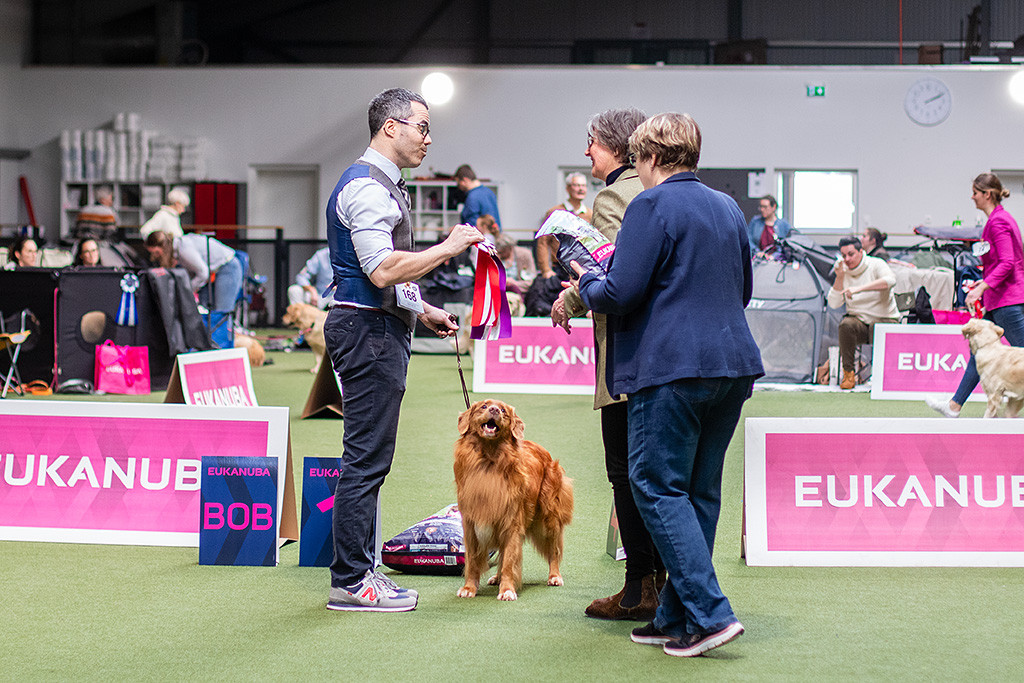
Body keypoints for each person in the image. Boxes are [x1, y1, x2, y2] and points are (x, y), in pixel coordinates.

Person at [571, 112, 762, 657]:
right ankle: (675, 616)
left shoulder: (649, 205)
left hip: (672, 367)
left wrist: (586, 279)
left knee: (654, 485)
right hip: (733, 365)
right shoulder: (728, 206)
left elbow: (621, 291)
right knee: (699, 492)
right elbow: (742, 290)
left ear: (647, 157)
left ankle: (711, 614)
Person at [324, 88, 483, 612]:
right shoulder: (368, 189)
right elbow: (381, 268)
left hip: (378, 327)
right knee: (366, 460)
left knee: (371, 457)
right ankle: (351, 582)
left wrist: (424, 310)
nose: (428, 137)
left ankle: (362, 572)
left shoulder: (382, 185)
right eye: (421, 126)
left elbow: (388, 273)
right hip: (367, 333)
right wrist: (448, 248)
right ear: (390, 127)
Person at [551, 107, 665, 622]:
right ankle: (661, 584)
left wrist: (573, 296)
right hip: (668, 361)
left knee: (625, 475)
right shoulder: (668, 193)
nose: (586, 151)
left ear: (617, 147)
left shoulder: (613, 197)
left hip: (626, 359)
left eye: (592, 141)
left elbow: (615, 271)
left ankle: (639, 586)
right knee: (661, 476)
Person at [927, 173, 1024, 418]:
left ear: (987, 194)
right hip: (1002, 298)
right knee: (978, 354)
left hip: (1007, 300)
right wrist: (985, 281)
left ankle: (955, 406)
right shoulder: (1001, 219)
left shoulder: (998, 221)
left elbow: (1008, 262)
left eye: (975, 192)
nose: (972, 197)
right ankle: (954, 405)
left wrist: (982, 287)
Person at [826, 236, 900, 390]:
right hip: (859, 322)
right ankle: (848, 374)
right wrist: (839, 277)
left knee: (876, 327)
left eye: (851, 254)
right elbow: (833, 303)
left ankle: (880, 376)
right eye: (843, 255)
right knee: (846, 325)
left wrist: (858, 289)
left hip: (885, 320)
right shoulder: (843, 271)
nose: (847, 259)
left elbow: (890, 281)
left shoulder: (876, 264)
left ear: (861, 252)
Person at [144, 230, 243, 312]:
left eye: (156, 253)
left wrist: (188, 290)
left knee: (221, 313)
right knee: (206, 311)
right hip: (215, 271)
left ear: (163, 247)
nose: (155, 257)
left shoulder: (183, 248)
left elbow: (203, 273)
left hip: (227, 267)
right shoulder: (178, 249)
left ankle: (225, 335)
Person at [537, 172, 594, 279]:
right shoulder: (555, 213)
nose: (581, 189)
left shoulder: (590, 214)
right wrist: (546, 270)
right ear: (567, 188)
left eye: (583, 186)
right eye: (576, 185)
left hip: (584, 268)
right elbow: (543, 242)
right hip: (559, 269)